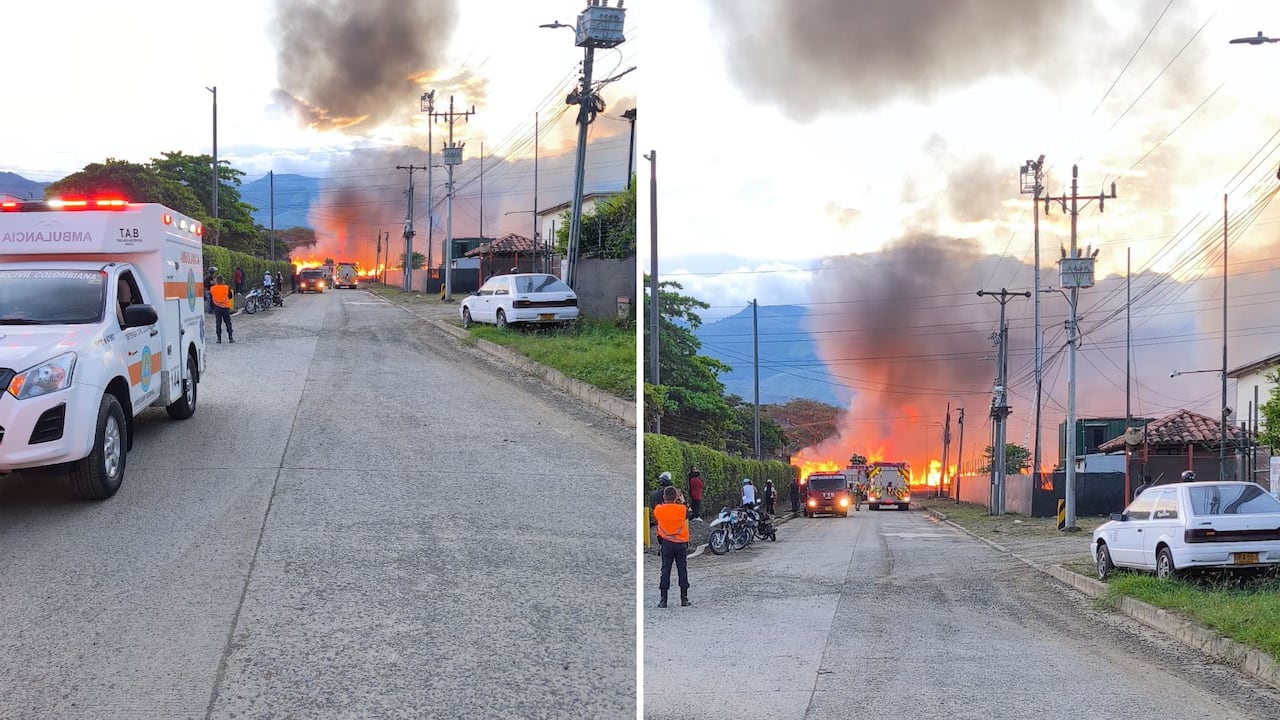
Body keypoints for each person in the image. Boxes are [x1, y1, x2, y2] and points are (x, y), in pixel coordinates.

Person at [653, 485, 691, 608]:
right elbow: (690, 513)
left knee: (665, 570)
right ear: (676, 497)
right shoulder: (682, 509)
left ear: (664, 496)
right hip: (681, 544)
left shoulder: (659, 509)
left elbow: (658, 513)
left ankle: (663, 600)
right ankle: (684, 598)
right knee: (682, 570)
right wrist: (682, 501)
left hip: (666, 543)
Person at [210, 274, 234, 344]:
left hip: (217, 308)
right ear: (223, 281)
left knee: (218, 323)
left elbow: (211, 298)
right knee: (228, 323)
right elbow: (230, 296)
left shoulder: (212, 288)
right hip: (225, 308)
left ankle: (219, 339)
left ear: (216, 281)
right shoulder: (226, 287)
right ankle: (230, 338)